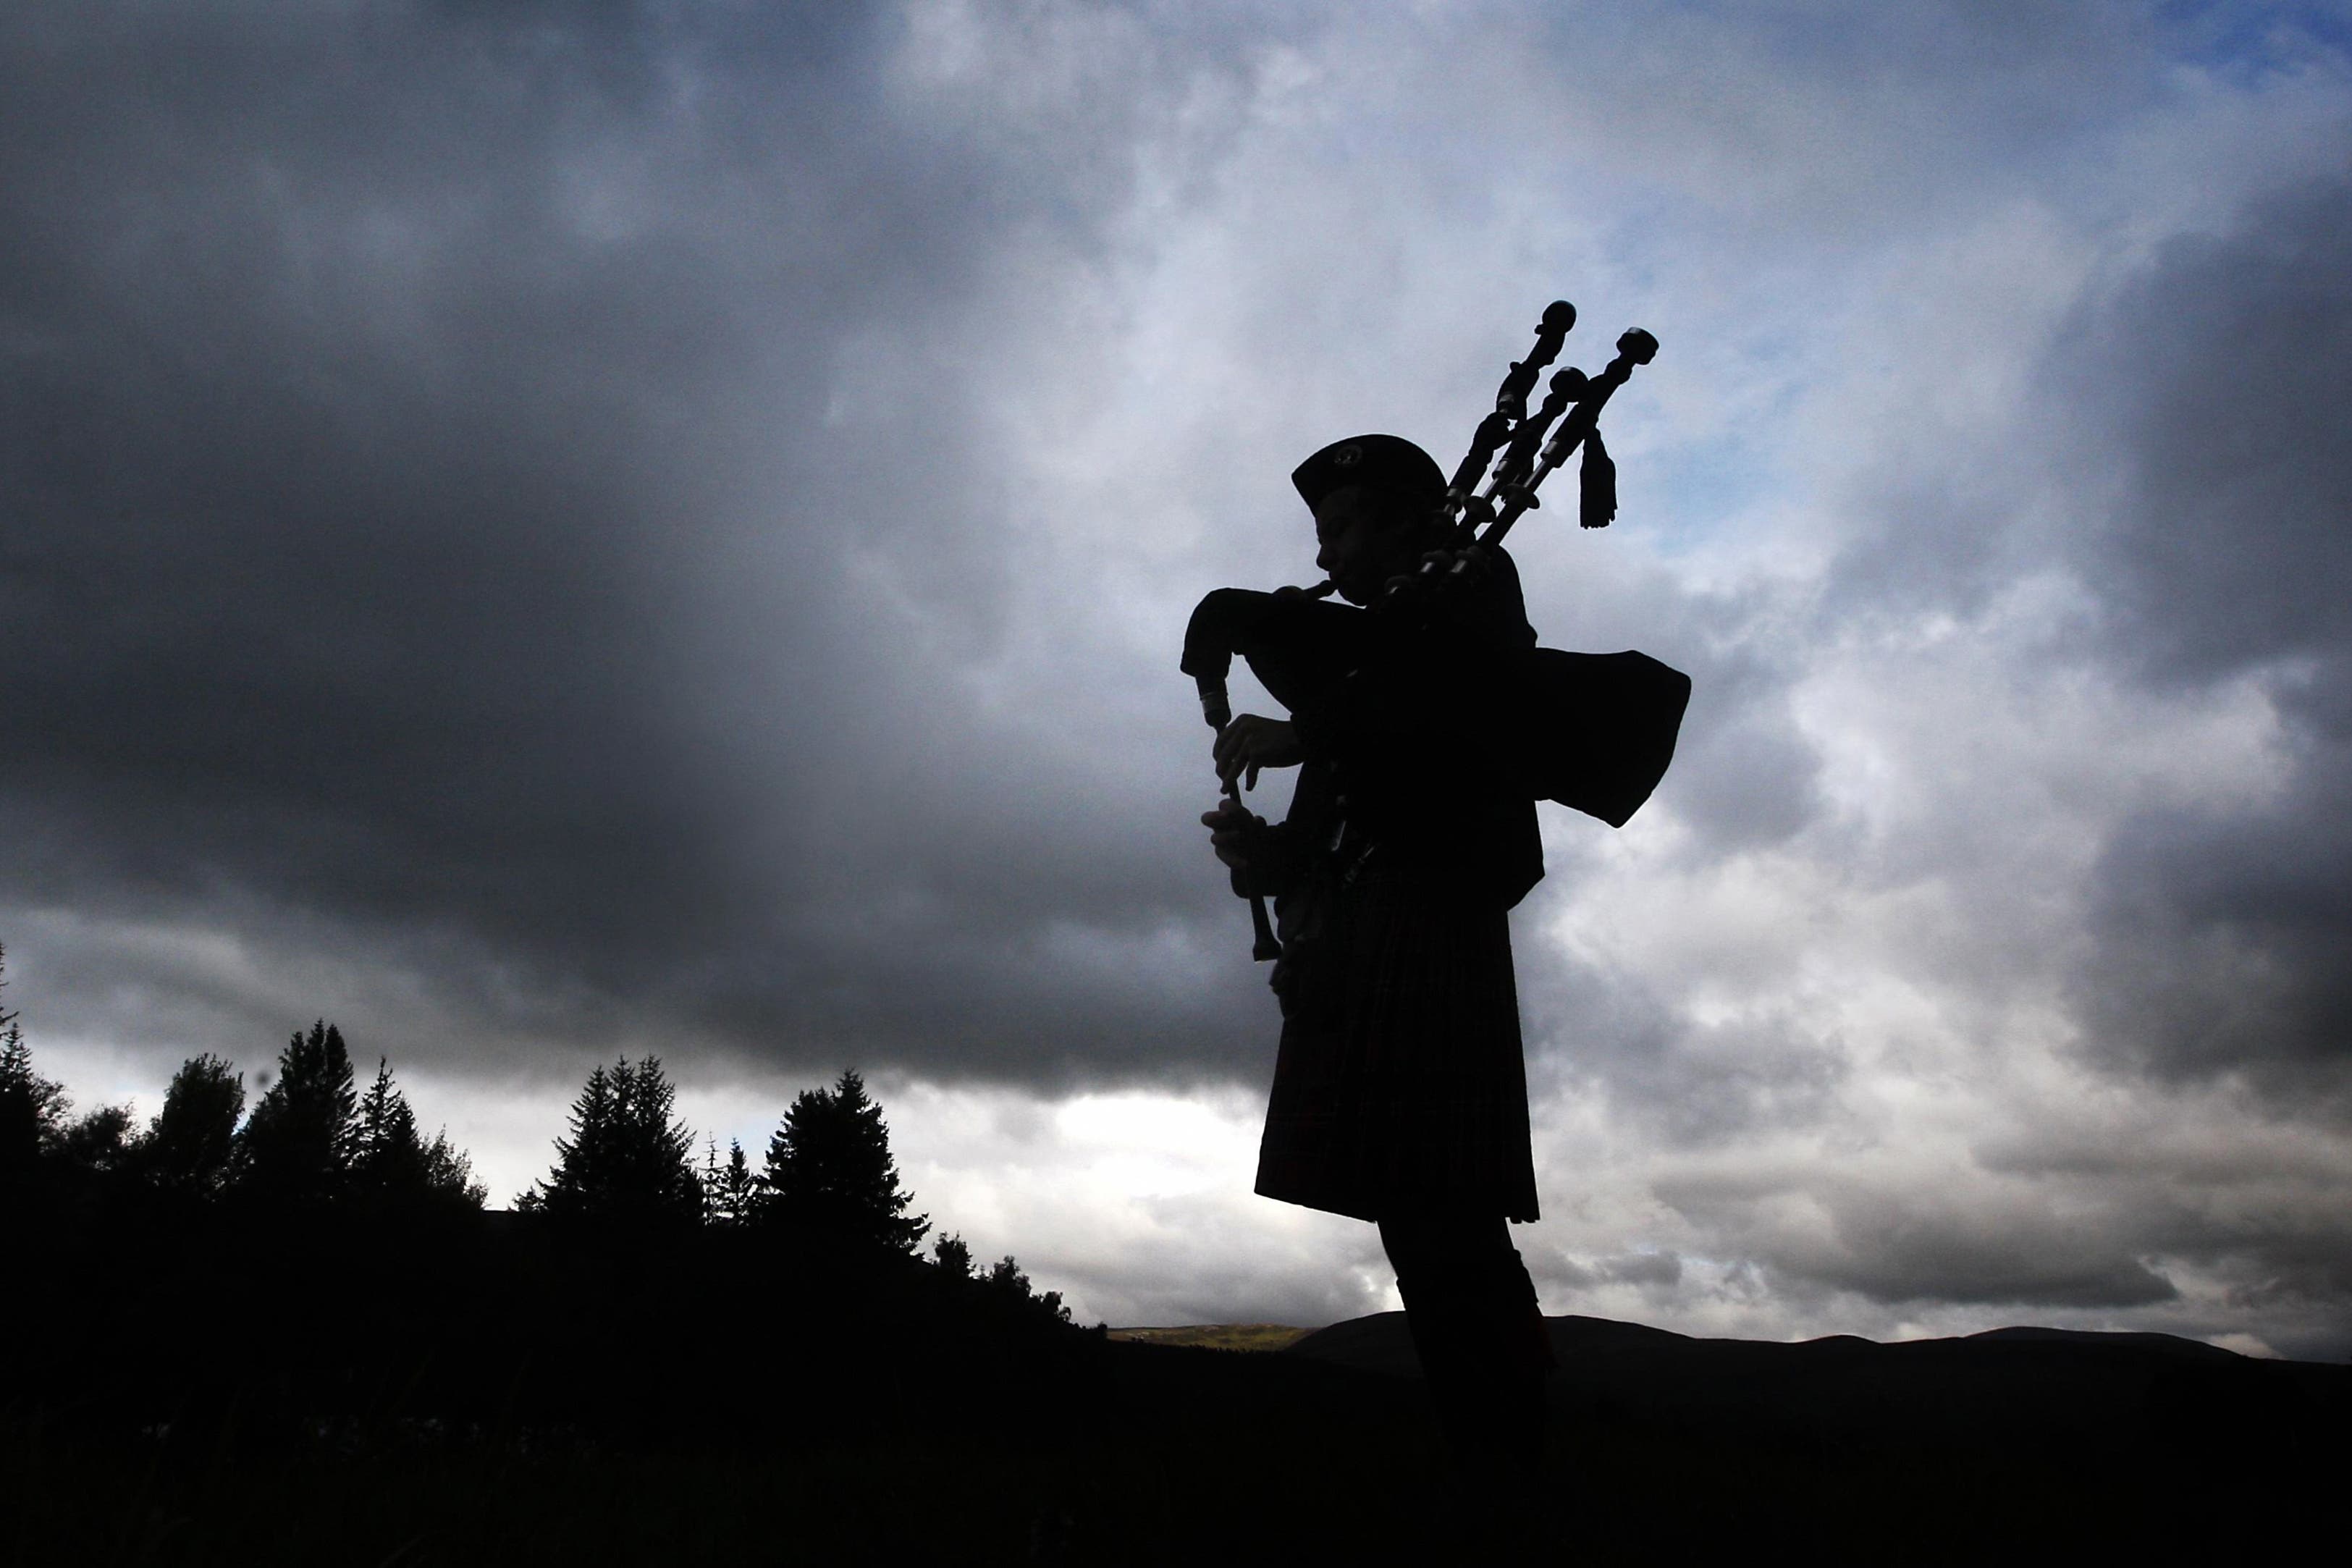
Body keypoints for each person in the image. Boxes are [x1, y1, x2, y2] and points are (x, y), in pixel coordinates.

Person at [1202, 434, 1557, 1480]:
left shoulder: (1470, 587)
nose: (1330, 551)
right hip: (1366, 948)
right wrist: (1261, 856)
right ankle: (1490, 1453)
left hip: (1434, 940)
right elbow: (1335, 837)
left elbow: (1453, 689)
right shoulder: (1369, 660)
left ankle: (1513, 1456)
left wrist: (1304, 727)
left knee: (1448, 1221)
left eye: (1344, 526)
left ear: (1408, 519)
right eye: (1322, 533)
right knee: (1418, 1223)